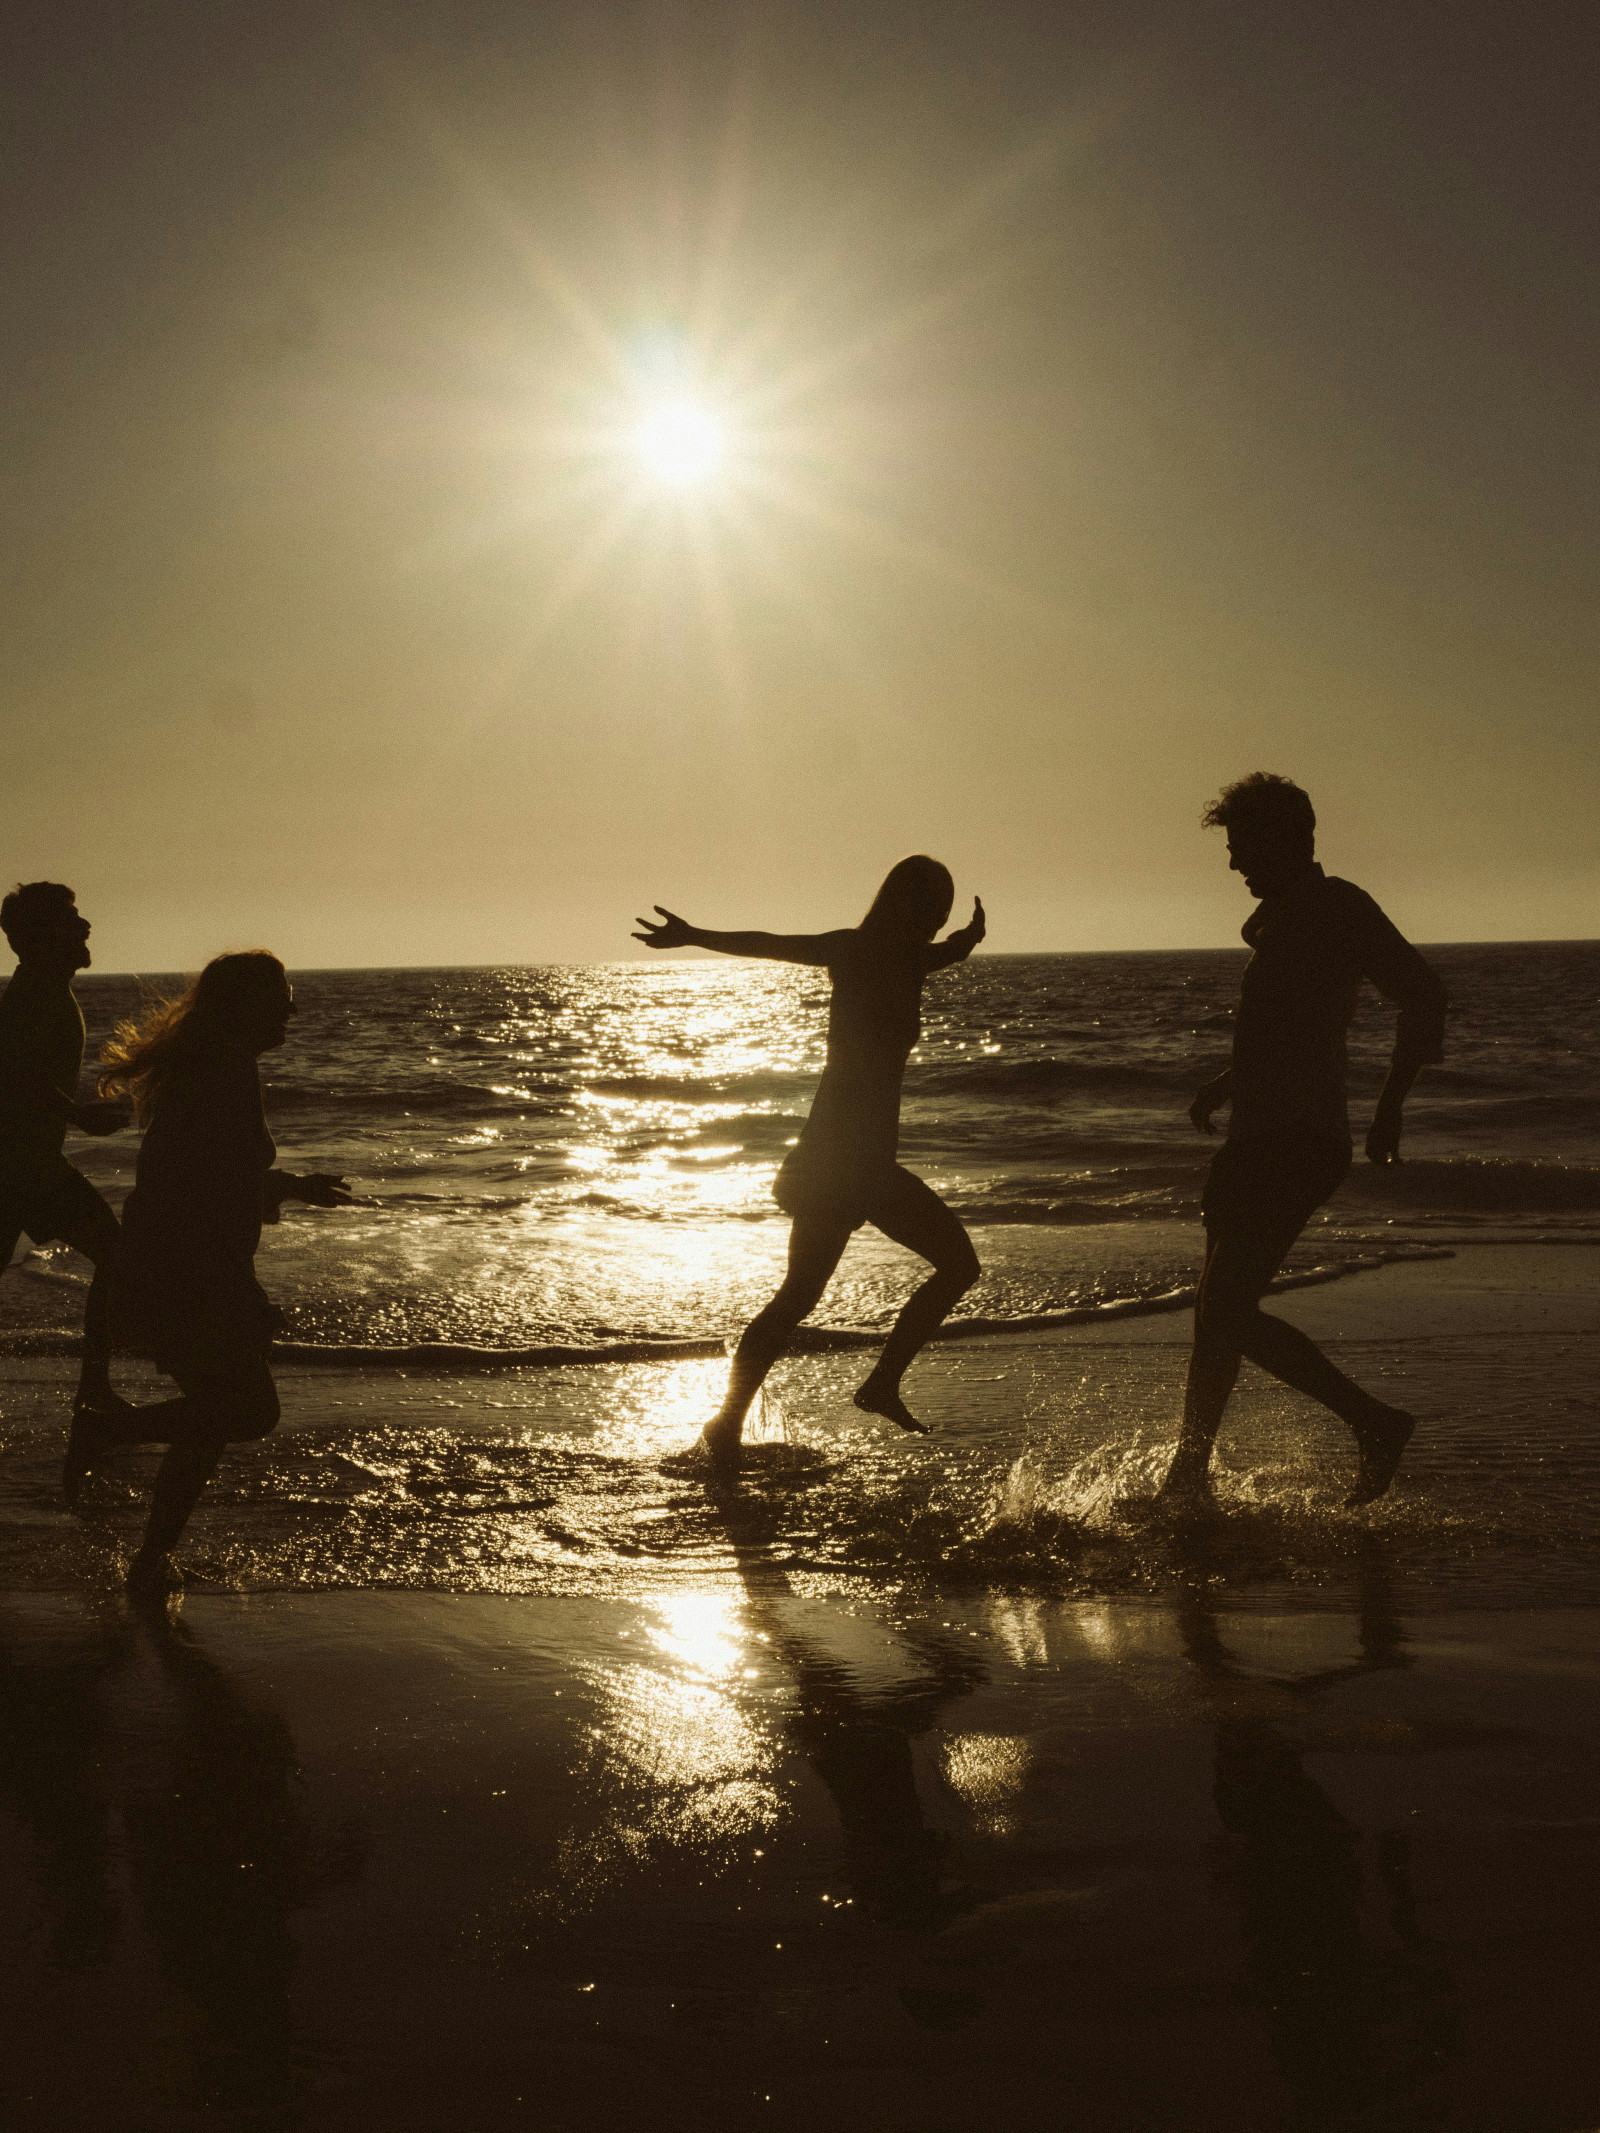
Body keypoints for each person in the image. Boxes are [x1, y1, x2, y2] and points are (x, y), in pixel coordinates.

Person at [635, 857, 984, 1466]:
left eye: (946, 910)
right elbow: (769, 945)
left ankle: (743, 1421)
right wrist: (693, 936)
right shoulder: (854, 952)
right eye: (936, 908)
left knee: (815, 1292)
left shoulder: (904, 960)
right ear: (911, 907)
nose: (940, 919)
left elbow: (935, 958)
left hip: (858, 1161)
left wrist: (965, 944)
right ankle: (765, 1414)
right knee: (932, 1270)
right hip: (841, 1159)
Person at [1158, 774, 1447, 1510]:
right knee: (1214, 1311)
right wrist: (1227, 1082)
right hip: (1255, 1139)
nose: (1231, 865)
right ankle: (1189, 1474)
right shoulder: (1284, 920)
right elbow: (1293, 1027)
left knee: (1224, 1308)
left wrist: (1390, 1107)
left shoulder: (1337, 906)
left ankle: (1374, 1422)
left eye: (1241, 846)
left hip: (1299, 1140)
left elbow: (1422, 991)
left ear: (1289, 840)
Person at [84, 952, 353, 1597]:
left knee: (211, 1415)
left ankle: (152, 1560)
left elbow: (207, 1172)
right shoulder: (222, 1071)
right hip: (190, 1265)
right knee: (247, 1409)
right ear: (247, 1006)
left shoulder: (218, 1066)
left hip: (185, 1258)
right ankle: (108, 1429)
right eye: (282, 996)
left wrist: (287, 1186)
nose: (292, 1008)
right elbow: (202, 1182)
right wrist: (238, 1279)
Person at [0, 882, 132, 1440]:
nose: (84, 928)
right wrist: (79, 1115)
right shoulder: (34, 994)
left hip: (25, 1162)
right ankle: (93, 1393)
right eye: (70, 920)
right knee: (118, 1256)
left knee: (116, 1257)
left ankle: (94, 1390)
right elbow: (13, 1073)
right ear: (31, 938)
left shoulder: (45, 988)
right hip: (20, 1163)